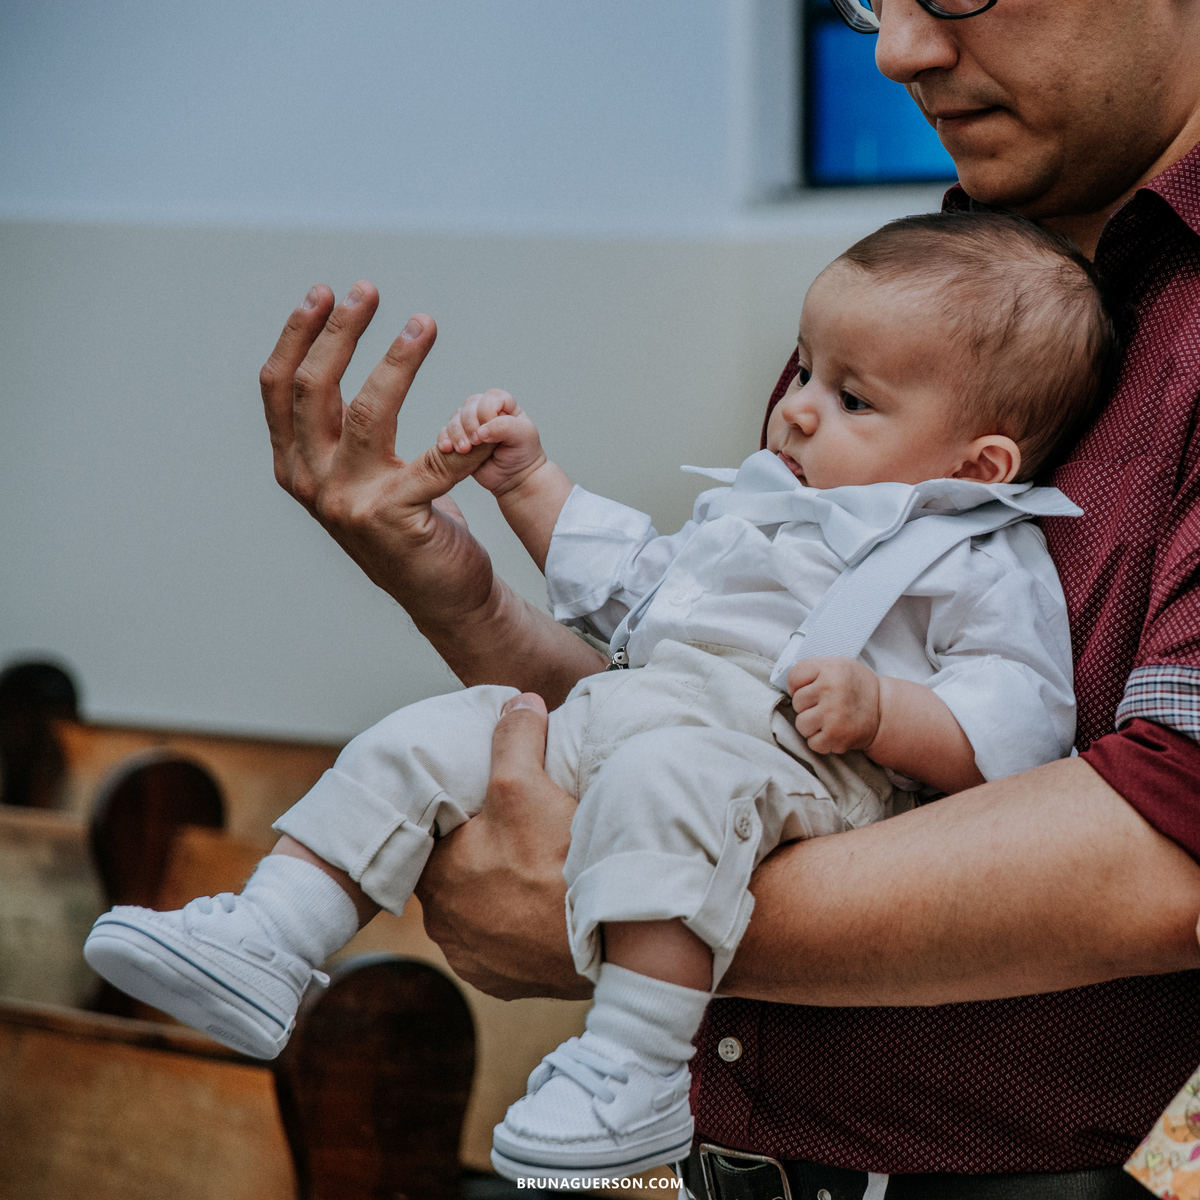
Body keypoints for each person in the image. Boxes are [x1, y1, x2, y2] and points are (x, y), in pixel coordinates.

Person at [245, 1, 1200, 1194]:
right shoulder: (916, 296)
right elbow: (715, 710)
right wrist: (455, 584)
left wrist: (603, 902)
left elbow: (1177, 844)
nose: (897, 50)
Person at [85, 212, 1111, 1184]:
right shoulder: (767, 506)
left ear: (980, 464)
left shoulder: (981, 557)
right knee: (435, 736)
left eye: (853, 399)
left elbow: (1015, 726)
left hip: (805, 765)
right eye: (807, 366)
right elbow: (637, 588)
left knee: (669, 787)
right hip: (645, 706)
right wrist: (527, 480)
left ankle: (632, 1067)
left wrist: (886, 712)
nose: (797, 405)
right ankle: (272, 935)